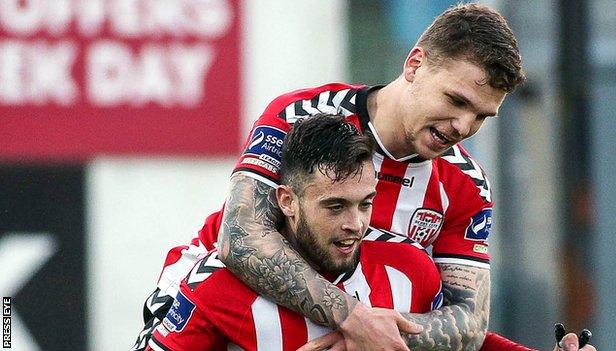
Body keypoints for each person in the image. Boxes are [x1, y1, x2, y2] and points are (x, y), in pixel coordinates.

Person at [133, 3, 595, 351]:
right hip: (217, 315)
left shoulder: (465, 185)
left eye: (480, 116)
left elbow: (466, 323)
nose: (463, 127)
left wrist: (371, 336)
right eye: (455, 100)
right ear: (414, 65)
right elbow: (242, 237)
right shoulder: (303, 115)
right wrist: (352, 321)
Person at [144, 114, 444, 351]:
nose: (355, 223)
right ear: (287, 201)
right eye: (335, 207)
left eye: (365, 204)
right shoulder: (216, 283)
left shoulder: (411, 269)